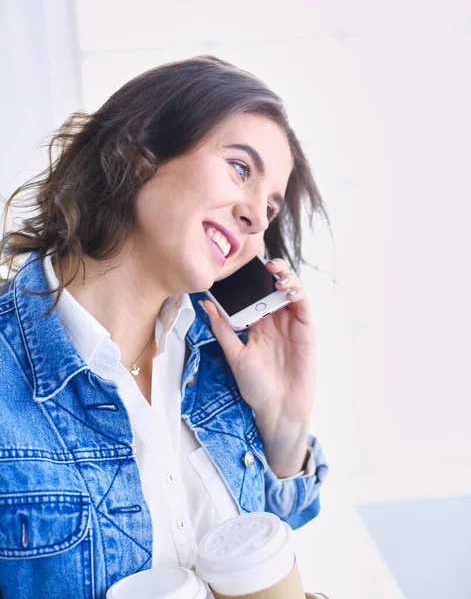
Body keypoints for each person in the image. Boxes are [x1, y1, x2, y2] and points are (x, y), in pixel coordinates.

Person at [0, 55, 330, 599]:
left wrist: (284, 422)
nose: (255, 219)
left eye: (271, 210)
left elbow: (266, 553)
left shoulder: (226, 361)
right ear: (139, 153)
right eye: (240, 169)